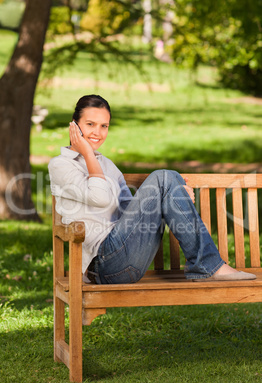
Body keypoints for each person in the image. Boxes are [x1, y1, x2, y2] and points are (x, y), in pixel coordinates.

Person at [48, 94, 256, 284]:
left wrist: (174, 196)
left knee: (171, 178)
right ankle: (208, 266)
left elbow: (131, 211)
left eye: (104, 126)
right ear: (74, 125)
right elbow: (100, 197)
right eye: (90, 124)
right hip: (104, 265)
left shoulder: (107, 165)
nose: (98, 132)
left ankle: (207, 265)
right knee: (163, 177)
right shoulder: (60, 165)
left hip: (131, 256)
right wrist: (88, 154)